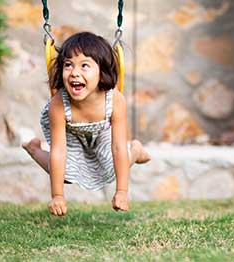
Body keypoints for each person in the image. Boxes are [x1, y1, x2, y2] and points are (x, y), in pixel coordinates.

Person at [22, 32, 150, 216]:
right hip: (71, 134)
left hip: (102, 131)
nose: (74, 73)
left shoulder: (114, 100)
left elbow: (118, 147)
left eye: (84, 66)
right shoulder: (59, 104)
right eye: (68, 65)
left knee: (111, 167)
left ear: (102, 71)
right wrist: (57, 195)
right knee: (64, 173)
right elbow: (59, 151)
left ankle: (136, 150)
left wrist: (122, 191)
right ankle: (35, 150)